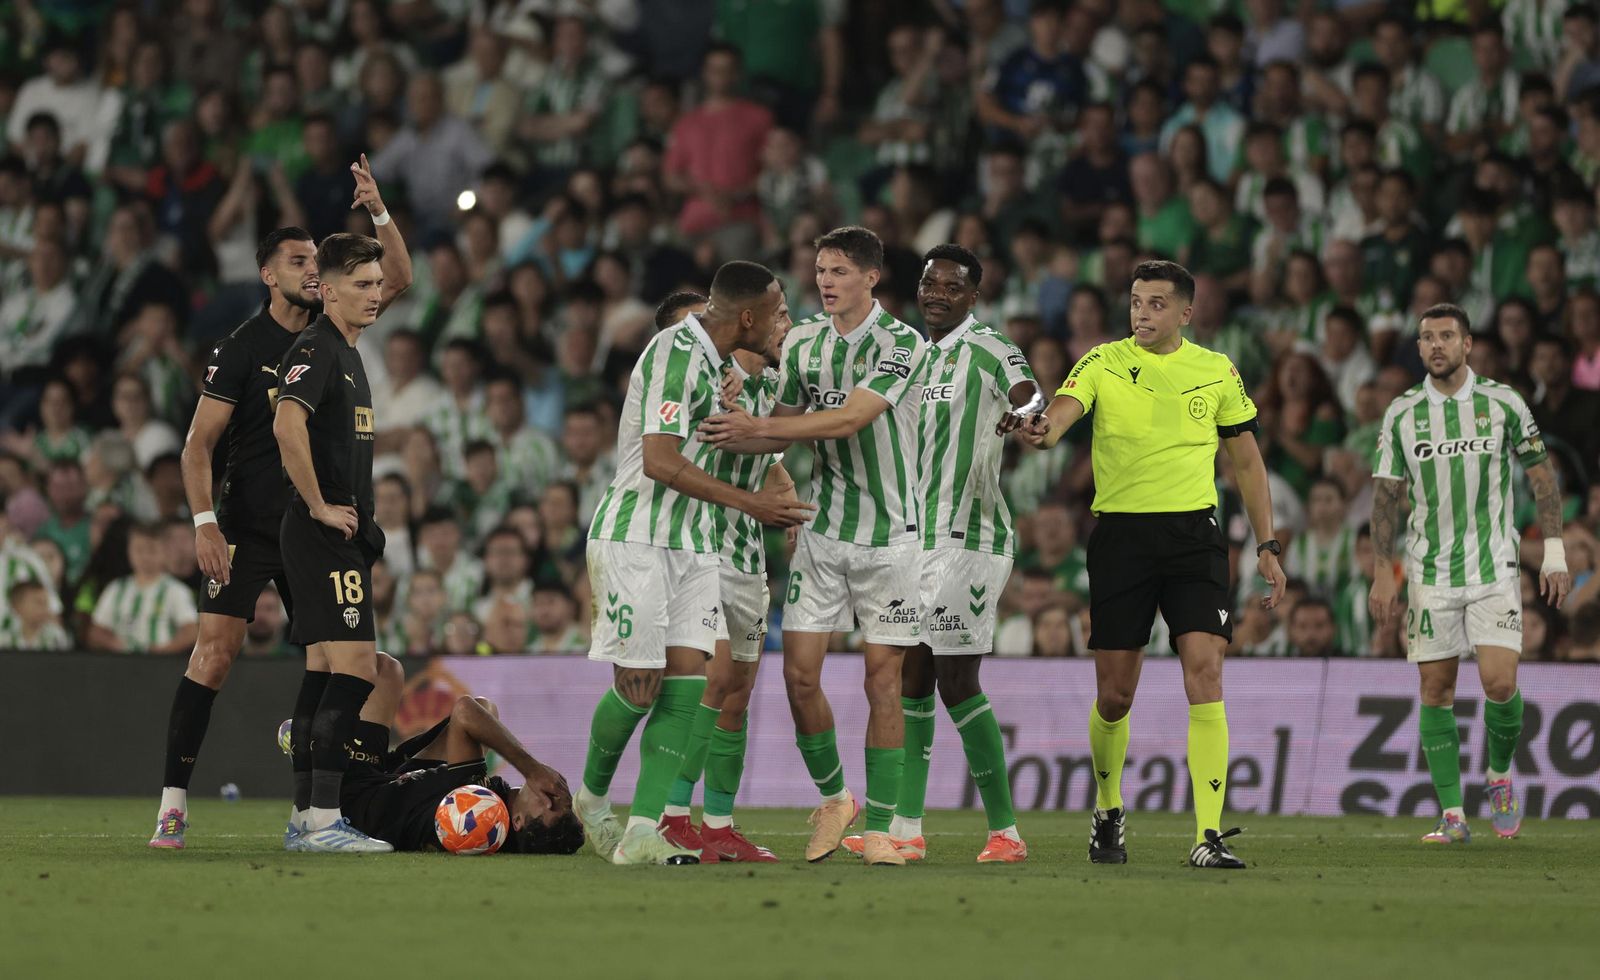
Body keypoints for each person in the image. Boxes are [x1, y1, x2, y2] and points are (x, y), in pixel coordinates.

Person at [149, 158, 412, 851]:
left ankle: (311, 807)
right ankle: (174, 803)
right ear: (269, 274)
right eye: (299, 262)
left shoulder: (336, 329)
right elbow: (197, 447)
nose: (311, 270)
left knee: (330, 660)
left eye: (317, 261)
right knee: (216, 654)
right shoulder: (243, 349)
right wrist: (205, 524)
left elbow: (395, 278)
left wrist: (378, 211)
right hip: (249, 526)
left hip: (308, 525)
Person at [1022, 260, 1286, 870]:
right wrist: (1042, 430)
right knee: (1115, 696)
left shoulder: (1216, 370)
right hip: (1122, 538)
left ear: (1186, 313)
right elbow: (1061, 414)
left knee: (1206, 674)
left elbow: (1247, 462)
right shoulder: (1102, 361)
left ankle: (1208, 833)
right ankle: (1108, 806)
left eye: (1157, 304)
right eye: (1136, 302)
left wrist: (1267, 546)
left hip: (1195, 537)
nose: (1142, 313)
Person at [701, 227, 932, 867]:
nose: (825, 281)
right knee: (799, 676)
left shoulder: (902, 343)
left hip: (892, 538)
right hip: (822, 532)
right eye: (821, 270)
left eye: (839, 271)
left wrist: (759, 424)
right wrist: (727, 418)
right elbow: (777, 432)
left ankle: (880, 828)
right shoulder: (803, 341)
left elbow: (851, 417)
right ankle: (836, 798)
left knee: (883, 680)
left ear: (871, 277)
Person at [571, 261, 813, 866]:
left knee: (690, 685)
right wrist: (752, 503)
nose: (784, 324)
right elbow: (658, 461)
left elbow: (752, 437)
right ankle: (592, 800)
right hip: (638, 538)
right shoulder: (674, 353)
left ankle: (643, 830)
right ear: (748, 318)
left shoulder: (717, 367)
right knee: (639, 687)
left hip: (697, 544)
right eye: (777, 314)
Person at [837, 245, 1042, 865]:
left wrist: (1026, 416)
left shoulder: (988, 347)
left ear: (973, 297)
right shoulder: (909, 354)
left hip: (968, 538)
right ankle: (907, 827)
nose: (937, 294)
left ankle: (1006, 833)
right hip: (912, 539)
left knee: (956, 679)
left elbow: (1028, 393)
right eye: (931, 283)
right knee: (913, 678)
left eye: (953, 287)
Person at [1369, 303, 1572, 845]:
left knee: (1500, 684)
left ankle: (1499, 776)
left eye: (1446, 336)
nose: (1435, 345)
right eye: (1426, 337)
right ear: (1418, 347)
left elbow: (1542, 476)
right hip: (1429, 572)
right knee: (1436, 689)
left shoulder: (1503, 403)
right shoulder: (1402, 413)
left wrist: (1554, 552)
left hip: (1493, 568)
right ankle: (1453, 815)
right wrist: (1383, 572)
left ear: (1467, 344)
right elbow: (1385, 497)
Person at [655, 290, 793, 863]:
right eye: (779, 317)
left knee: (737, 694)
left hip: (746, 555)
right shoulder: (704, 381)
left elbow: (772, 454)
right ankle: (669, 815)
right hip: (697, 549)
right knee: (711, 683)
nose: (786, 326)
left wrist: (786, 492)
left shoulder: (770, 384)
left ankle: (718, 825)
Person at [272, 232, 394, 854]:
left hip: (329, 533)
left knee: (322, 672)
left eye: (377, 284)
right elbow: (285, 422)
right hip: (324, 532)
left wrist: (379, 212)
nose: (376, 294)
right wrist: (320, 504)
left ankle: (305, 819)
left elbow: (403, 274)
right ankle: (324, 819)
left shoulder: (344, 345)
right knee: (357, 669)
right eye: (362, 285)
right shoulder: (318, 347)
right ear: (327, 290)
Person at [295, 653, 582, 854]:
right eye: (566, 803)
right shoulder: (483, 794)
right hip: (383, 780)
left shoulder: (479, 806)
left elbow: (465, 710)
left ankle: (317, 738)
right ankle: (321, 736)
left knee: (380, 669)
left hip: (351, 806)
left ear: (517, 822)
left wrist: (531, 768)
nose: (554, 796)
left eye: (550, 807)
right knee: (390, 669)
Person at [87, 522, 199, 654]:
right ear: (129, 551)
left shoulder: (176, 591)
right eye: (139, 550)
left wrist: (163, 651)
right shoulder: (116, 589)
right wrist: (116, 645)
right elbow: (96, 632)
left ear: (165, 551)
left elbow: (191, 632)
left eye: (152, 550)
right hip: (121, 661)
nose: (145, 557)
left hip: (162, 662)